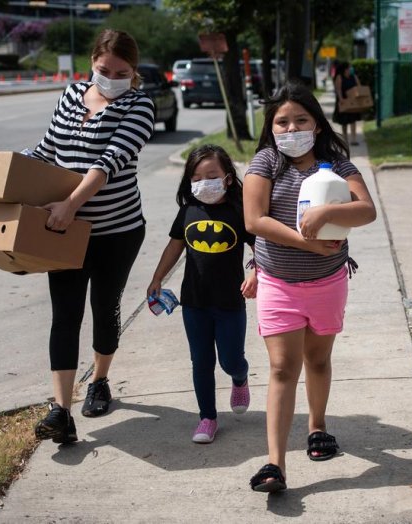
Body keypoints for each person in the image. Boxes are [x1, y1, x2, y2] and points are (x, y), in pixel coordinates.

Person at [243, 81, 377, 492]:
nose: (291, 128)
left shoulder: (338, 164)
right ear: (271, 127)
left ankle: (317, 427)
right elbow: (254, 220)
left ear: (317, 124)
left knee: (317, 361)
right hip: (278, 281)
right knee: (283, 368)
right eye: (282, 122)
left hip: (328, 281)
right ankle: (275, 465)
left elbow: (366, 210)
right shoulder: (265, 162)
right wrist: (307, 241)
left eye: (300, 120)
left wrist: (328, 213)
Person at [32, 29, 155, 444]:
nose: (112, 77)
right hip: (65, 232)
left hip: (116, 231)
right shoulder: (71, 95)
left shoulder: (140, 104)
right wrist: (5, 178)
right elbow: (47, 150)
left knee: (104, 307)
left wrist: (70, 204)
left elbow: (109, 162)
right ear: (91, 63)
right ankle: (61, 410)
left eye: (122, 72)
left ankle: (100, 380)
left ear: (133, 71)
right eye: (104, 70)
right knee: (64, 313)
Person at [147, 145, 257, 444]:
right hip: (194, 302)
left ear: (228, 179)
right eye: (196, 177)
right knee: (201, 361)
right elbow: (174, 246)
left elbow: (260, 246)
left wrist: (256, 273)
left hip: (230, 302)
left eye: (211, 175)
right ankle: (207, 417)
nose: (203, 182)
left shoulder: (240, 211)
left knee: (231, 360)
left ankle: (240, 377)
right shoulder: (188, 210)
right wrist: (158, 277)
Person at [332, 61, 362, 146]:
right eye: (350, 67)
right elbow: (338, 89)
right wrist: (341, 99)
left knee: (353, 120)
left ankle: (353, 139)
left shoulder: (354, 76)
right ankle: (345, 139)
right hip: (344, 100)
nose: (351, 69)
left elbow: (359, 86)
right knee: (344, 121)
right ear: (345, 69)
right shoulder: (339, 77)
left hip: (353, 100)